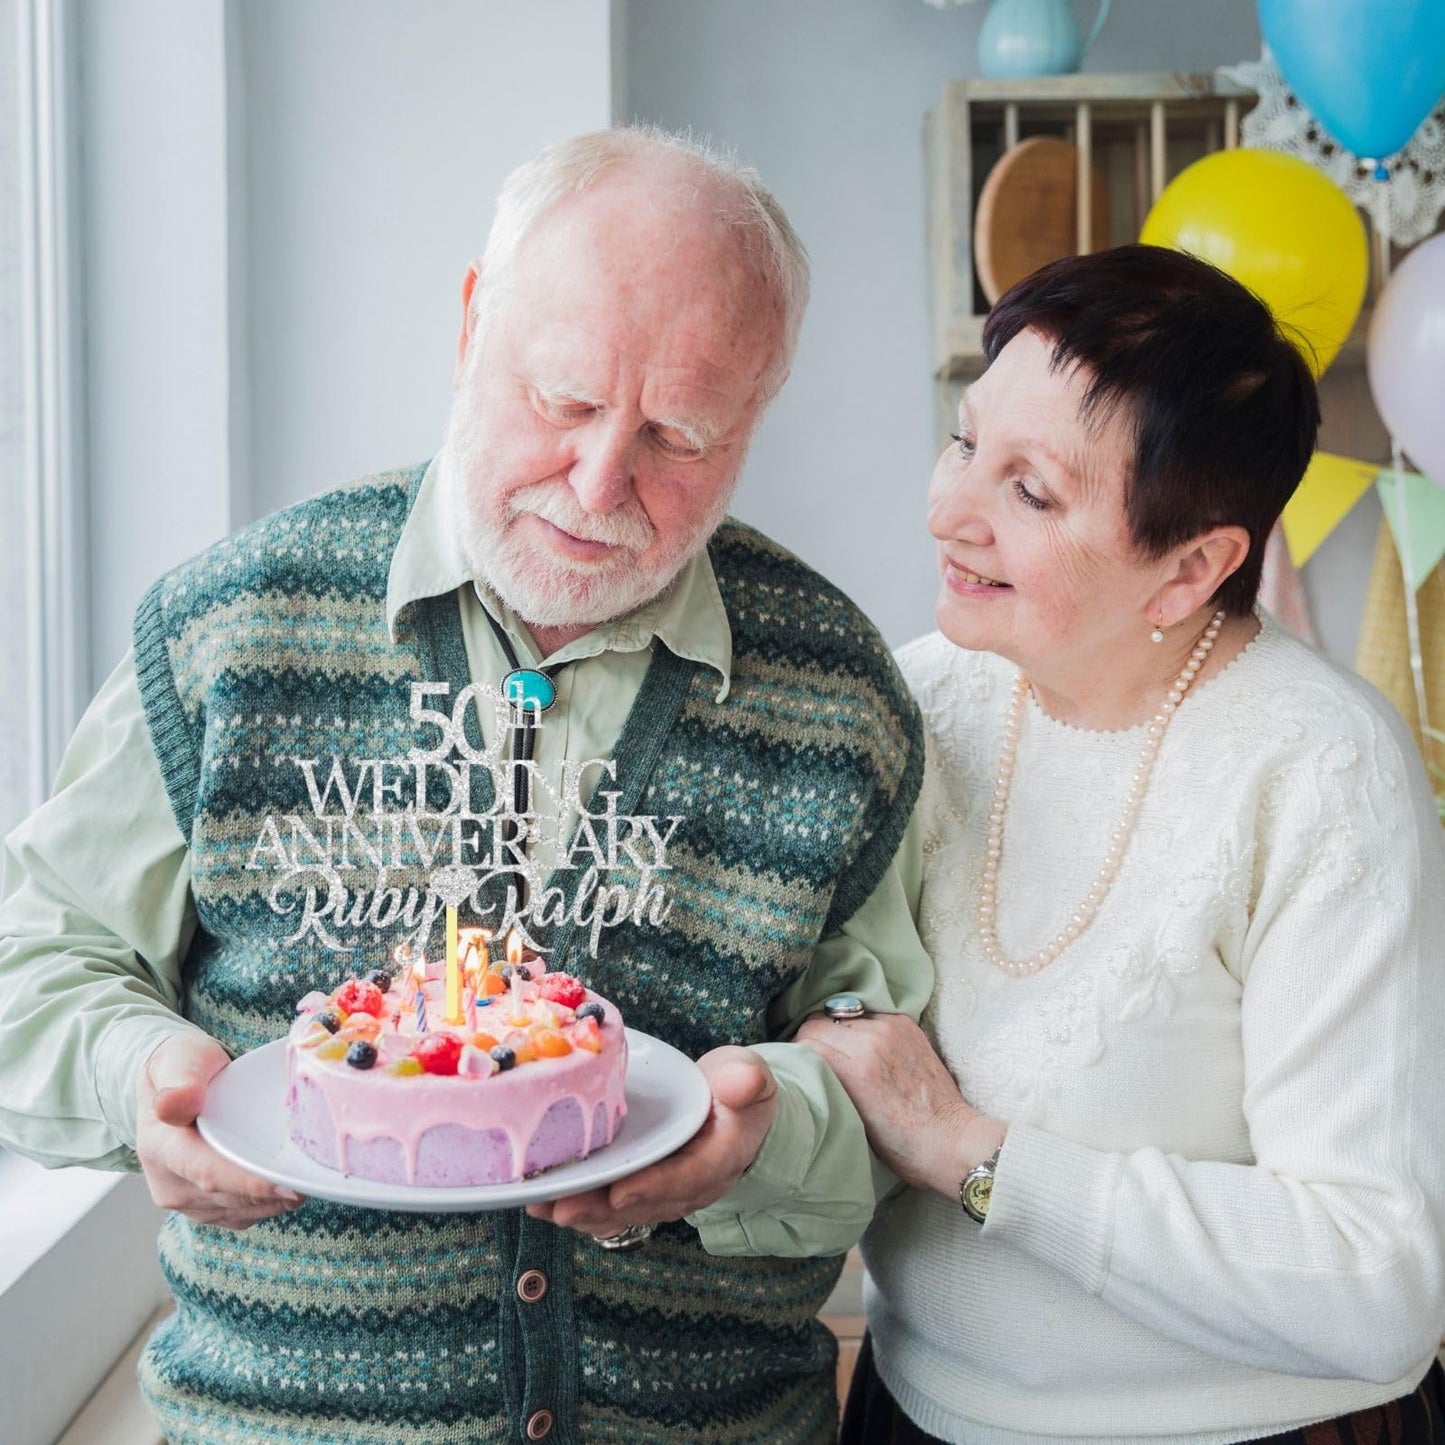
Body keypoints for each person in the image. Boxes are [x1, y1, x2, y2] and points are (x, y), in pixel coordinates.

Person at [0, 127, 933, 1445]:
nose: (601, 481)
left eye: (679, 433)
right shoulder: (231, 629)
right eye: (561, 399)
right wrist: (140, 1076)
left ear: (755, 420)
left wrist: (761, 1139)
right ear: (470, 324)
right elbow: (34, 963)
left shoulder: (839, 698)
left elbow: (899, 1102)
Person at [800, 245, 1445, 1444]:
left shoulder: (1317, 769)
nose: (948, 511)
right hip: (913, 1413)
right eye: (962, 442)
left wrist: (971, 1153)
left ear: (1190, 566)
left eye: (1029, 491)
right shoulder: (910, 697)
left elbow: (1378, 1283)